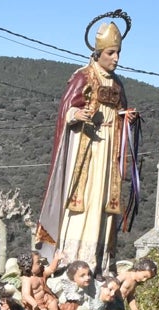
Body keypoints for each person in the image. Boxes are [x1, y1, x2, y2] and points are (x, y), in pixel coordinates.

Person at [36, 13, 140, 275]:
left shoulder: (118, 83)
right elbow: (66, 109)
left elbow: (118, 110)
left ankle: (100, 259)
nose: (116, 58)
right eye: (111, 53)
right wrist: (75, 115)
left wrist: (126, 118)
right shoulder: (83, 76)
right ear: (98, 53)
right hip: (85, 150)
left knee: (103, 200)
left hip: (108, 151)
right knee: (83, 201)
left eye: (118, 53)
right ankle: (74, 258)